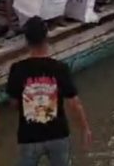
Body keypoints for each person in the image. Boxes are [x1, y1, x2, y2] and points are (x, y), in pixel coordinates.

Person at [6, 17, 92, 166]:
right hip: (57, 135)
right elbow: (74, 103)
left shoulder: (17, 69)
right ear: (47, 38)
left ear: (26, 41)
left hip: (29, 136)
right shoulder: (60, 68)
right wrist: (85, 129)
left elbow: (13, 103)